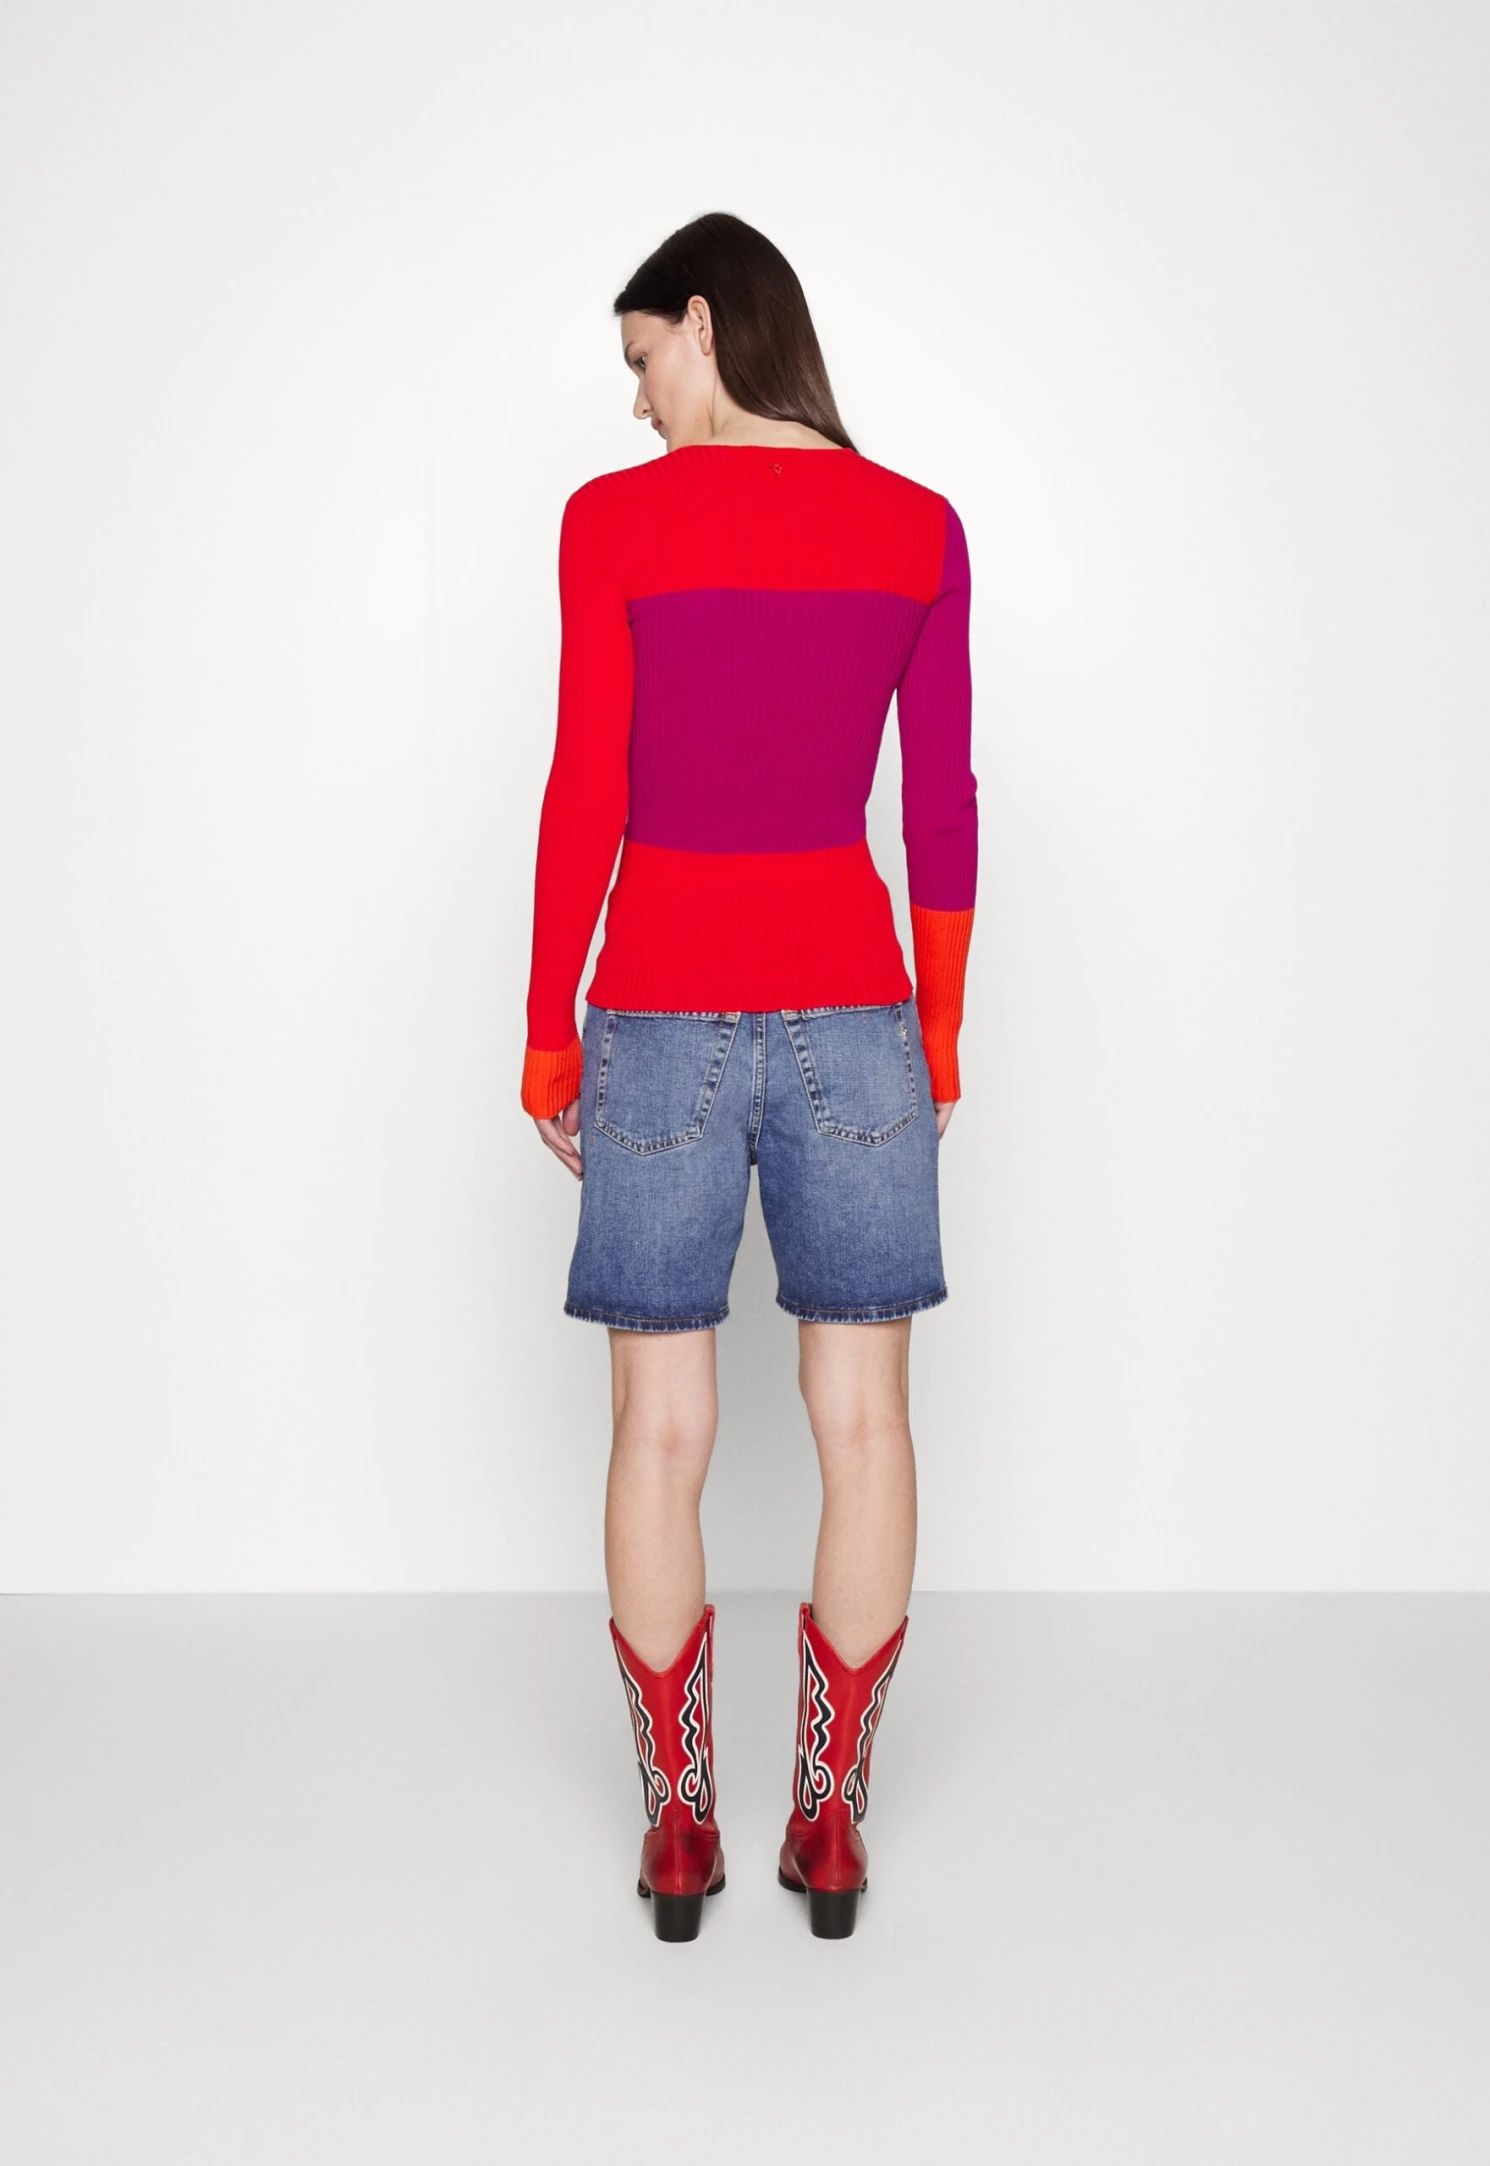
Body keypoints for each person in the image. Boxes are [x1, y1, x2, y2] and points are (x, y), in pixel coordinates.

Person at [520, 212, 978, 1942]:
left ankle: (678, 1831)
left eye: (644, 359)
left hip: (658, 1012)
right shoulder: (918, 527)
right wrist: (940, 1031)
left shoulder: (612, 523)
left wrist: (547, 1030)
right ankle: (831, 1826)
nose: (637, 400)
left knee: (662, 1429)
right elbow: (942, 802)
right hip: (858, 1013)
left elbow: (587, 784)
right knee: (866, 1425)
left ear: (707, 325)